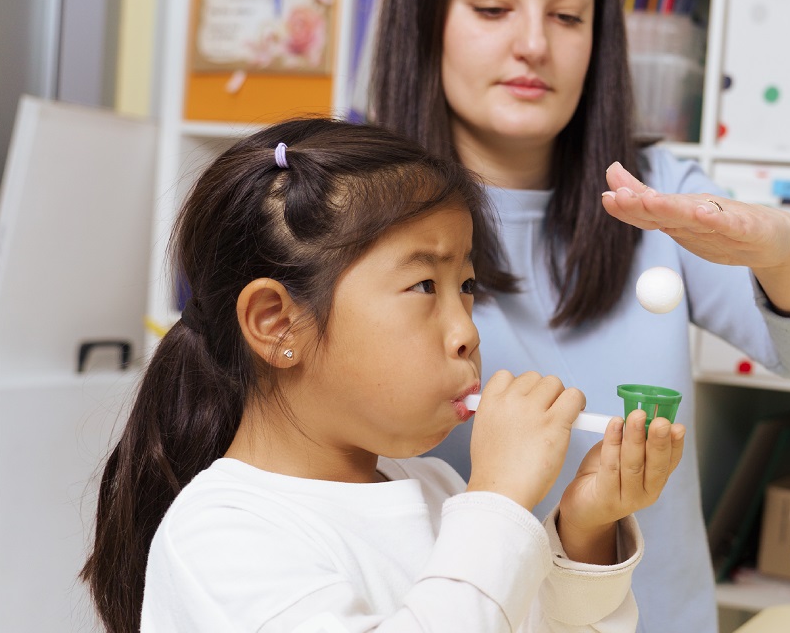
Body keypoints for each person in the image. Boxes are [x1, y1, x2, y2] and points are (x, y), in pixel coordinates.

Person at [370, 0, 790, 633]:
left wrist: (784, 247)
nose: (535, 44)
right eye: (493, 8)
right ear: (424, 15)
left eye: (568, 16)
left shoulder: (656, 189)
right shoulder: (357, 208)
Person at [80, 118, 685, 633]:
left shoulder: (439, 489)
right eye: (424, 285)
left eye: (467, 287)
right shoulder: (220, 537)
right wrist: (499, 499)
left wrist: (584, 527)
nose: (467, 333)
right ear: (276, 324)